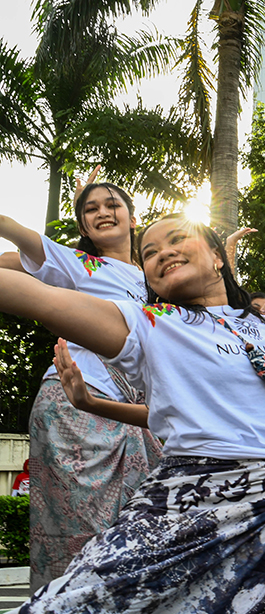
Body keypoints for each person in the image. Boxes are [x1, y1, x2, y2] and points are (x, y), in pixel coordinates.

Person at [0, 214, 265, 614]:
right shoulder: (148, 325)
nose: (162, 254)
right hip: (186, 504)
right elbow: (31, 294)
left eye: (177, 240)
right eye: (150, 254)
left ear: (218, 256)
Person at [1, 181, 163, 589]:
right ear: (84, 229)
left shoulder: (154, 278)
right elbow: (13, 235)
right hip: (74, 407)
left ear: (133, 217)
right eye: (91, 209)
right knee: (83, 537)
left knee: (143, 531)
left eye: (113, 204)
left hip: (135, 414)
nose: (104, 212)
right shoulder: (79, 264)